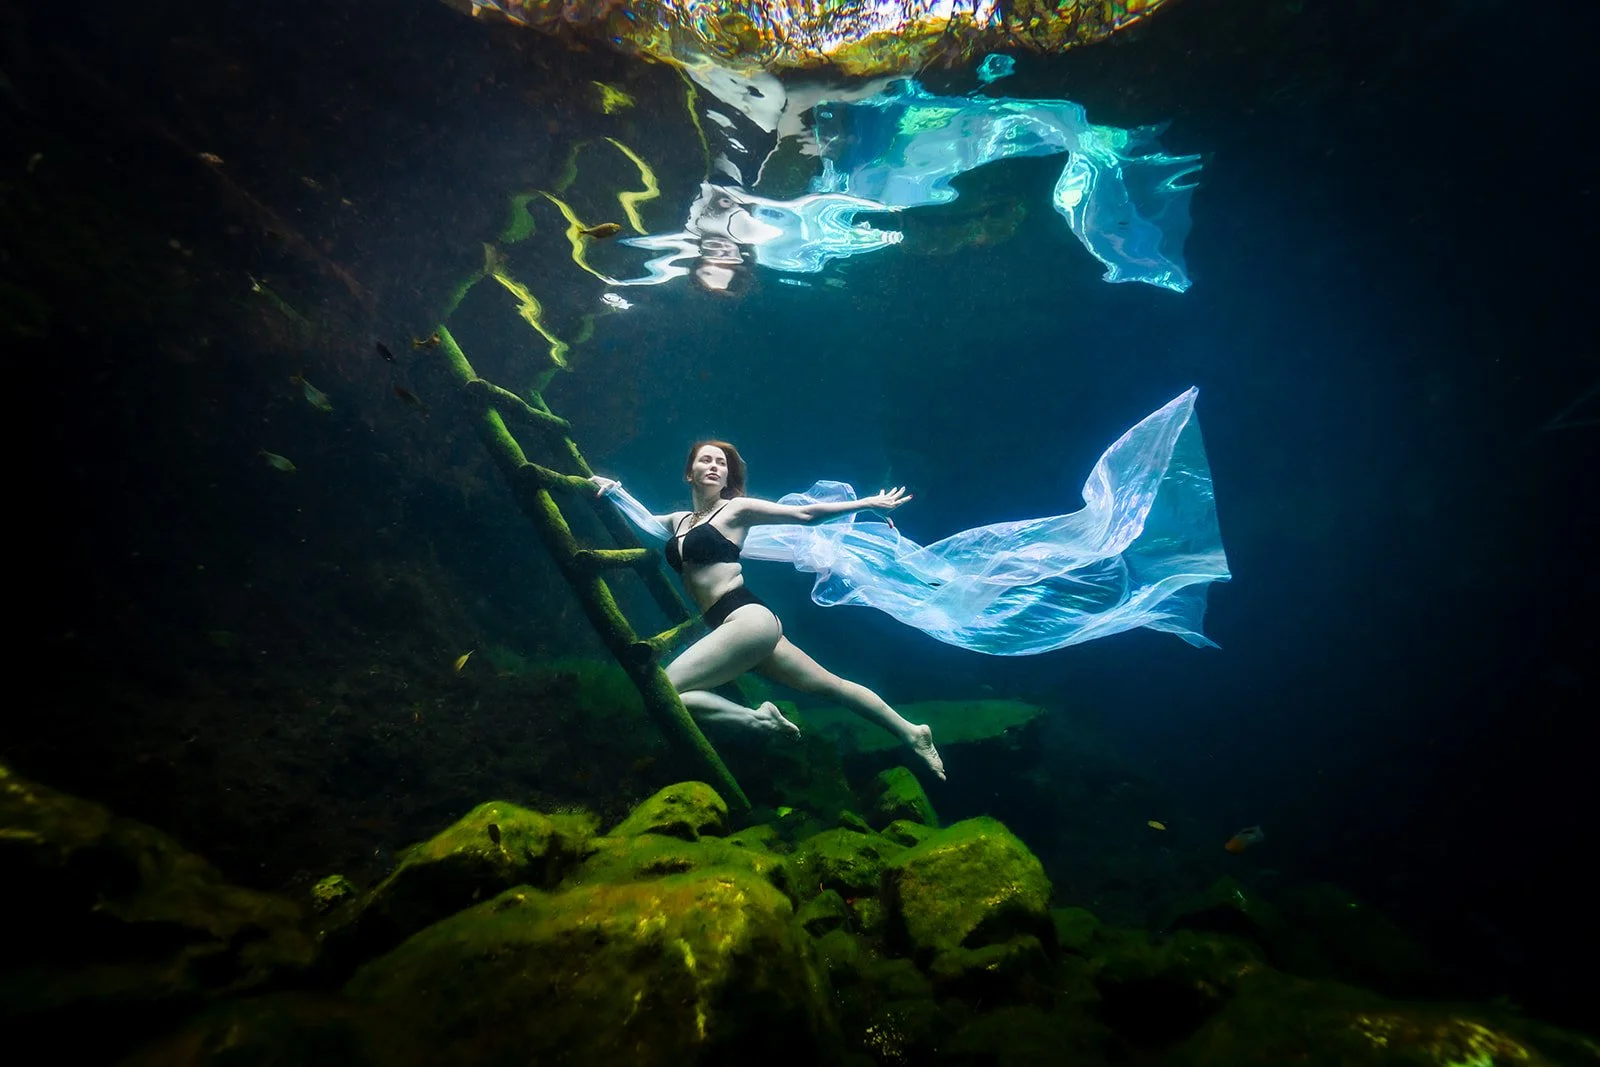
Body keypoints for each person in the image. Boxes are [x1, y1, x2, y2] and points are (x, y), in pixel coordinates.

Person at [592, 440, 945, 779]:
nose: (714, 466)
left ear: (728, 477)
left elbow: (805, 514)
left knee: (667, 688)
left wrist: (865, 504)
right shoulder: (680, 521)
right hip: (739, 625)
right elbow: (643, 520)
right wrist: (615, 490)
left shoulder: (736, 510)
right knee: (830, 685)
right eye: (706, 460)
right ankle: (912, 732)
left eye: (722, 464)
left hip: (747, 619)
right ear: (689, 473)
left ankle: (759, 721)